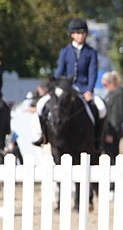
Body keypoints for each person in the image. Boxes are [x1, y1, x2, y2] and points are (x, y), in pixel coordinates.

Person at [35, 18, 106, 146]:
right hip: (65, 89)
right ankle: (44, 136)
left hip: (84, 89)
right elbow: (59, 72)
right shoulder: (65, 51)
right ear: (72, 34)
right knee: (40, 105)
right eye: (77, 33)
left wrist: (90, 90)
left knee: (101, 108)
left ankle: (97, 140)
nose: (80, 36)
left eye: (82, 33)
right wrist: (52, 89)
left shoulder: (91, 52)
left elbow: (92, 73)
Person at [100, 71, 123, 159]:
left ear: (112, 83)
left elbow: (116, 114)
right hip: (108, 130)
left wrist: (111, 133)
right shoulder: (111, 94)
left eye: (106, 85)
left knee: (112, 155)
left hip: (113, 132)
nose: (105, 88)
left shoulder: (118, 94)